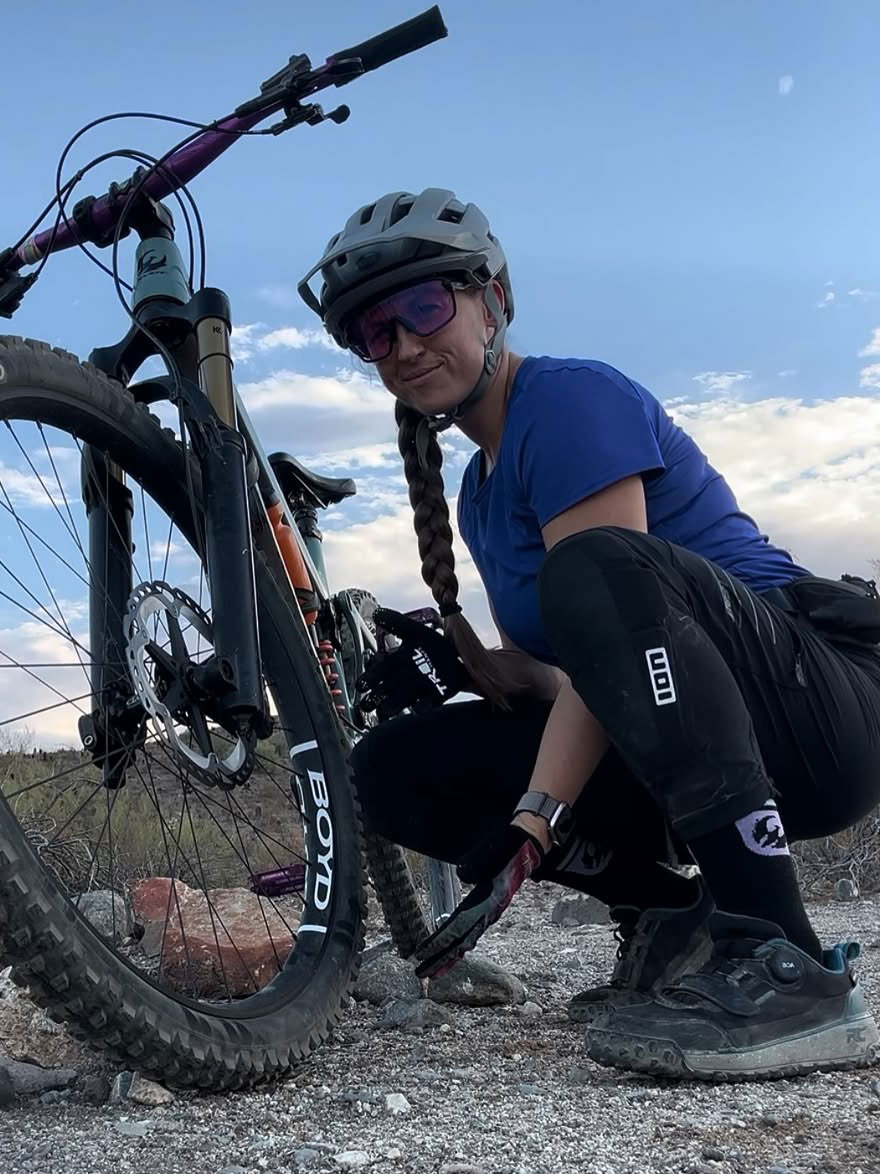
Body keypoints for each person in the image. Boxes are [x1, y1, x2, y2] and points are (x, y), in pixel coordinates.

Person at [297, 187, 880, 1082]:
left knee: (597, 567)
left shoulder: (567, 399)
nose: (406, 345)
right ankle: (669, 917)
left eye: (424, 307)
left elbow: (611, 594)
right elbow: (585, 680)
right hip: (694, 730)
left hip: (823, 707)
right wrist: (487, 674)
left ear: (493, 298)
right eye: (377, 333)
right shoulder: (476, 496)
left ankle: (787, 964)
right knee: (391, 769)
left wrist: (532, 823)